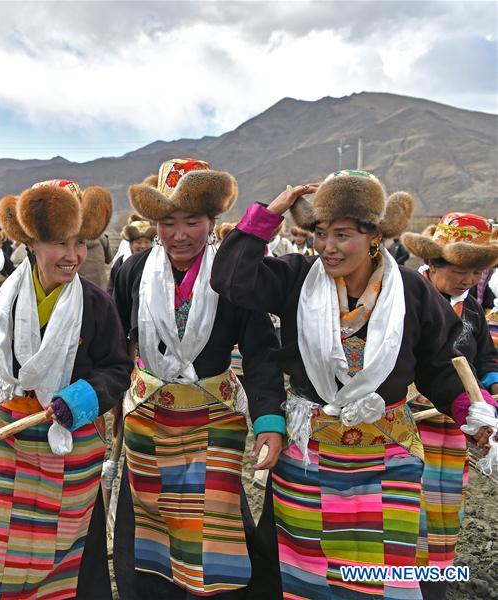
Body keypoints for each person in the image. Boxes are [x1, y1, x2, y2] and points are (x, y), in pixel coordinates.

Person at [210, 170, 497, 600]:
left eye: (342, 234)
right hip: (311, 451)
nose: (327, 247)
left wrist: (470, 413)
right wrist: (269, 214)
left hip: (387, 452)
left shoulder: (412, 291)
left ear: (374, 235)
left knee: (386, 567)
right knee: (300, 561)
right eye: (320, 233)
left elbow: (440, 367)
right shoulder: (296, 278)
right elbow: (230, 277)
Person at [0, 179, 132, 599]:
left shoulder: (97, 304)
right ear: (32, 243)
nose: (72, 255)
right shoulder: (4, 301)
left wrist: (85, 396)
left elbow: (118, 369)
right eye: (59, 243)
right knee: (0, 533)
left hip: (71, 439)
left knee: (72, 539)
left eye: (81, 242)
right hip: (9, 436)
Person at [112, 159, 286, 599]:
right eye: (168, 222)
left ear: (213, 222)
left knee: (215, 518)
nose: (179, 234)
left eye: (192, 220)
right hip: (147, 418)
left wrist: (269, 420)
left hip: (214, 419)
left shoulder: (232, 279)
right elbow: (116, 347)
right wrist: (109, 404)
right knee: (150, 512)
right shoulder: (131, 273)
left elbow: (262, 353)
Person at [401, 212, 498, 600]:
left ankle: (433, 583)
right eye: (463, 269)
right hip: (406, 423)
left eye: (477, 272)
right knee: (409, 504)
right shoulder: (405, 296)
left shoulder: (471, 308)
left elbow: (485, 359)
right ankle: (398, 580)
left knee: (445, 506)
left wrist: (490, 389)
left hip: (453, 426)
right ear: (436, 261)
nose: (471, 280)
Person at [106, 219, 155, 294]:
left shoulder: (157, 263)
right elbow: (112, 288)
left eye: (147, 242)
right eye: (138, 242)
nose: (143, 246)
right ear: (130, 244)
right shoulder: (121, 262)